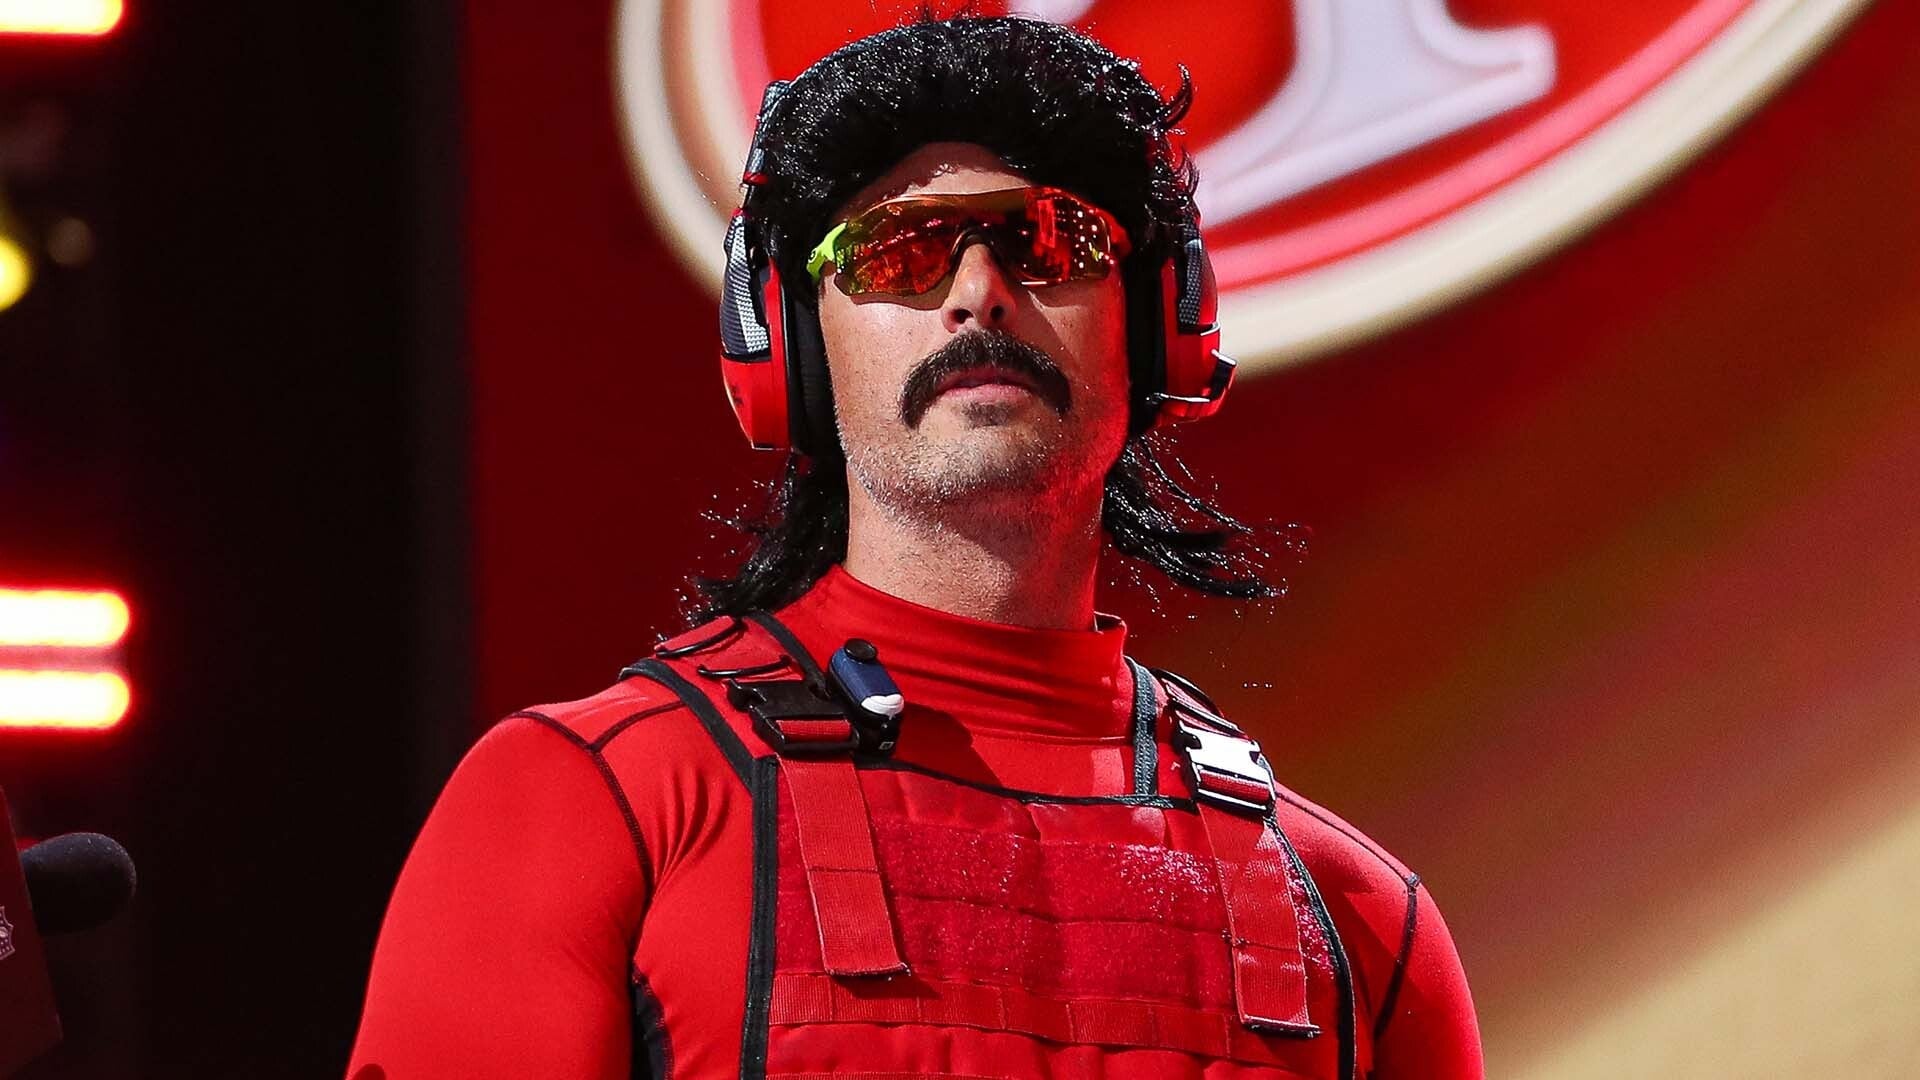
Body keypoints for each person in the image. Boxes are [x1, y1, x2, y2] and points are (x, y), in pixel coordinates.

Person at [348, 15, 1481, 1080]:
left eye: (1050, 241)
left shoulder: (1361, 922)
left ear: (1158, 327)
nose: (981, 294)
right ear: (787, 345)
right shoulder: (590, 807)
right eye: (899, 252)